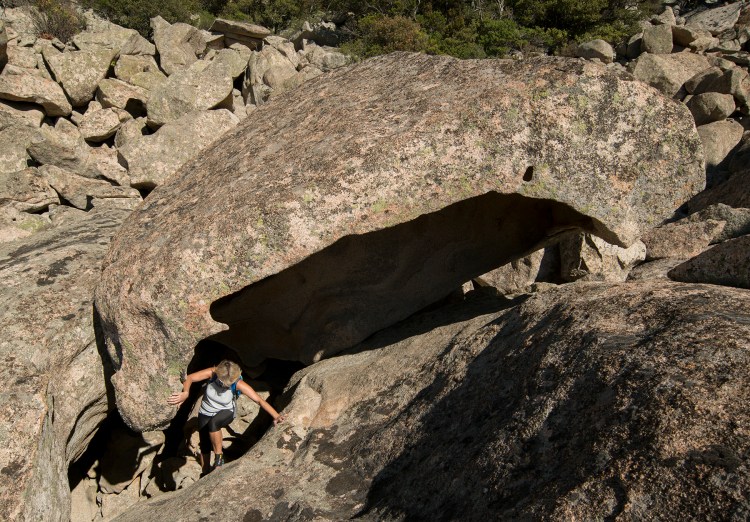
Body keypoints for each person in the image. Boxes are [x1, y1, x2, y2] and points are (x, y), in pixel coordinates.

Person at [167, 359, 285, 473]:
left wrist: (276, 416)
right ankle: (205, 472)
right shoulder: (213, 373)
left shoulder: (237, 383)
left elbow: (259, 400)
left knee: (214, 424)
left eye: (230, 383)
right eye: (225, 383)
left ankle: (219, 460)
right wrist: (185, 393)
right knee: (204, 444)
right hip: (205, 411)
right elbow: (190, 378)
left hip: (226, 411)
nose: (227, 386)